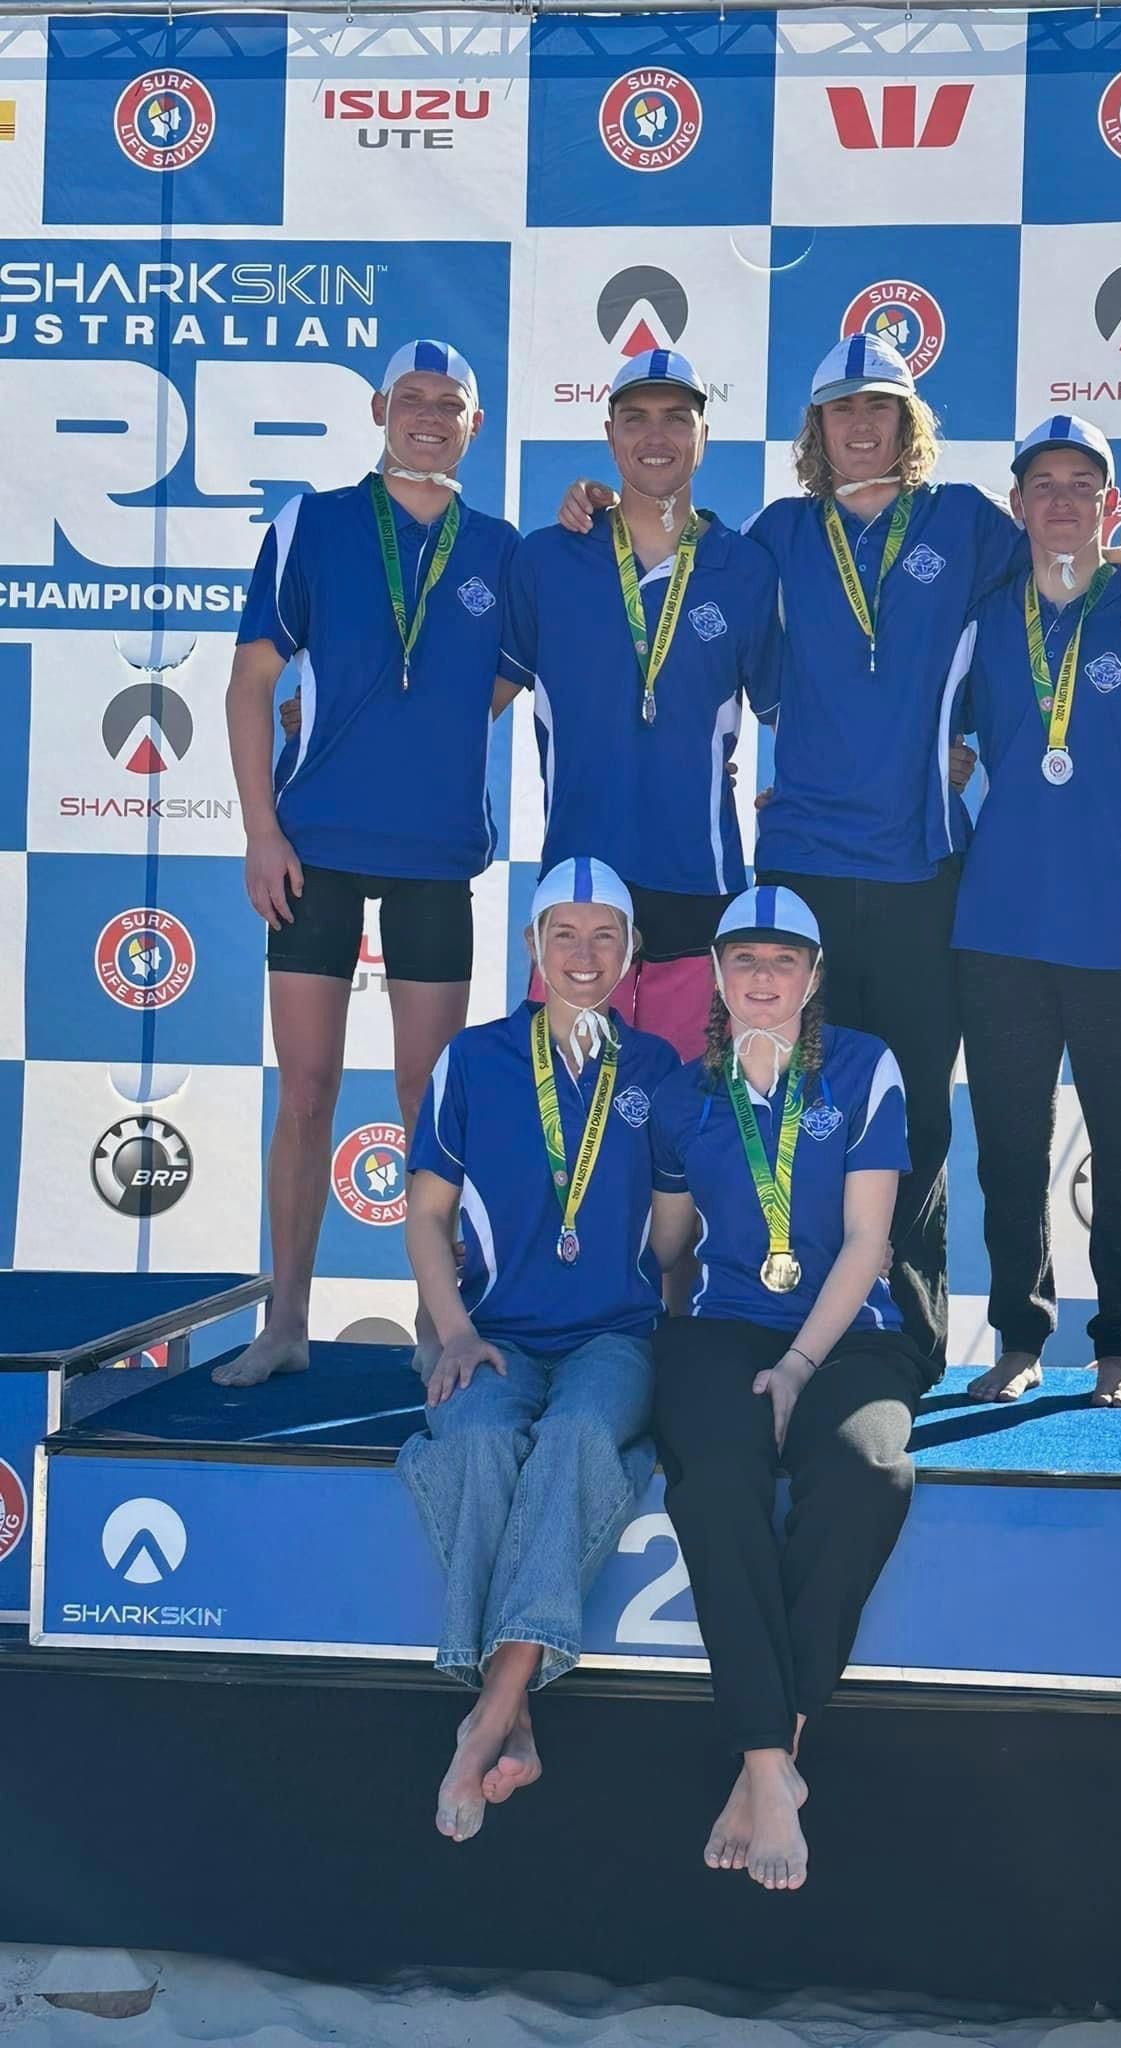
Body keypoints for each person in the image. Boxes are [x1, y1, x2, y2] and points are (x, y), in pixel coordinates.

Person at [559, 334, 1121, 1374]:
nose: (863, 427)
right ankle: (802, 1316)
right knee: (800, 1105)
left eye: (883, 410)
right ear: (817, 431)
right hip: (800, 869)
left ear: (908, 426)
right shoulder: (774, 535)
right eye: (844, 411)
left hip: (922, 872)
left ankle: (912, 1334)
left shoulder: (963, 525)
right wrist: (592, 499)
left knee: (920, 1116)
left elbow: (1063, 547)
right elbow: (671, 556)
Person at [219, 339, 522, 1389]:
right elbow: (250, 682)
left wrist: (417, 731)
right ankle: (288, 1321)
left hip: (436, 857)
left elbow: (495, 686)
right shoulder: (313, 524)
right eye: (414, 400)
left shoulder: (502, 549)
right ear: (383, 409)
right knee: (305, 1091)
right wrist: (262, 828)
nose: (431, 416)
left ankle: (437, 1323)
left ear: (473, 426)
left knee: (423, 1100)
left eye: (453, 402)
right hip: (316, 852)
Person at [648, 885, 929, 1892]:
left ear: (814, 977)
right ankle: (771, 1764)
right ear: (719, 976)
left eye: (784, 961)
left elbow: (868, 1241)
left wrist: (801, 1365)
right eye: (744, 961)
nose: (763, 978)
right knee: (715, 1480)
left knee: (868, 1476)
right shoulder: (686, 1092)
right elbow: (674, 1250)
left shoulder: (864, 1066)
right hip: (724, 1329)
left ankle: (769, 1758)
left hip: (851, 1335)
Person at [402, 856, 680, 1842]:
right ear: (530, 946)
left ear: (633, 952)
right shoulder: (472, 1062)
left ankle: (488, 1709)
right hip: (495, 1335)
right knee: (475, 1440)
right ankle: (512, 1718)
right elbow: (425, 1214)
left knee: (573, 1438)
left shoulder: (654, 1072)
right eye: (564, 933)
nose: (584, 954)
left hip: (614, 1338)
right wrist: (456, 1328)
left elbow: (678, 1239)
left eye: (606, 934)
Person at [951, 417, 1121, 1411]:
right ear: (1016, 503)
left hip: (1118, 940)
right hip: (997, 935)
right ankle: (1020, 1339)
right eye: (1043, 482)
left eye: (1082, 484)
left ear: (1108, 505)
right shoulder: (983, 616)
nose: (1061, 498)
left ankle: (1120, 1347)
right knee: (1012, 1153)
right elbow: (936, 734)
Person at [502, 350, 782, 1058]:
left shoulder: (745, 568)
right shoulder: (546, 560)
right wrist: (335, 721)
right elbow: (472, 699)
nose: (655, 436)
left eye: (675, 419)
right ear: (608, 435)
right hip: (579, 883)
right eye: (636, 419)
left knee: (684, 1115)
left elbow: (801, 717)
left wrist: (943, 752)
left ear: (704, 437)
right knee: (571, 1115)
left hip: (699, 878)